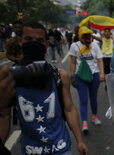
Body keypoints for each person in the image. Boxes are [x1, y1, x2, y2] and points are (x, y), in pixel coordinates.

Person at [0, 22, 88, 154]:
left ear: (47, 44)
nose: (34, 44)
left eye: (39, 40)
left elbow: (69, 109)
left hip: (60, 149)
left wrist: (80, 141)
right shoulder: (11, 79)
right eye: (29, 39)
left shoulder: (59, 76)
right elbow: (4, 116)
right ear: (20, 41)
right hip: (30, 151)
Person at [69, 26, 104, 133]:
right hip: (81, 77)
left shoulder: (95, 45)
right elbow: (73, 62)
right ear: (81, 37)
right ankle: (84, 122)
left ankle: (94, 116)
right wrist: (72, 75)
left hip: (94, 75)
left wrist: (102, 73)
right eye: (86, 37)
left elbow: (100, 60)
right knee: (83, 99)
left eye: (89, 36)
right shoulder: (75, 46)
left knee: (93, 98)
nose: (88, 39)